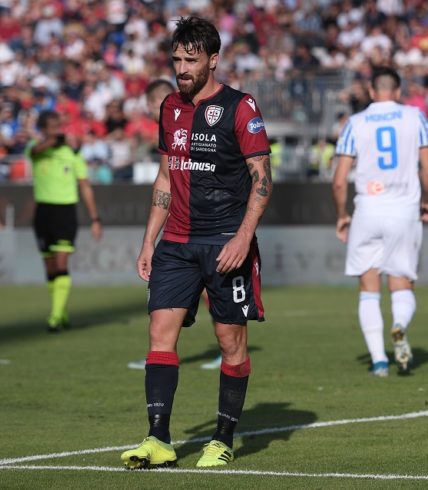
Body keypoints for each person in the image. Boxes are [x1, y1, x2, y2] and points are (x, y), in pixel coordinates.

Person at [121, 17, 272, 470]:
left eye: (191, 60)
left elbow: (262, 179)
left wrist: (244, 238)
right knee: (159, 333)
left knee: (230, 342)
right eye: (177, 59)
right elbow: (165, 177)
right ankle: (158, 439)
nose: (182, 68)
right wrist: (149, 241)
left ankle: (223, 438)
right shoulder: (168, 107)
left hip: (226, 243)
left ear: (213, 59)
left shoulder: (240, 107)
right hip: (177, 243)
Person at [332, 68, 428, 377]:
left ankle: (379, 361)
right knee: (402, 282)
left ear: (372, 92)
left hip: (367, 210)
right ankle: (400, 326)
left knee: (368, 287)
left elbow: (339, 181)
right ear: (399, 91)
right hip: (403, 208)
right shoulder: (415, 117)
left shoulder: (355, 122)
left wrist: (341, 215)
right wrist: (427, 200)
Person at [126, 78, 222, 372]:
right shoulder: (171, 125)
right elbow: (166, 179)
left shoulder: (194, 120)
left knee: (208, 291)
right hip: (180, 227)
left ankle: (225, 349)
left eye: (152, 105)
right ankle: (160, 352)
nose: (152, 110)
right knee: (171, 293)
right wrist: (149, 239)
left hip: (205, 226)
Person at [27, 110, 102, 332]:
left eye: (57, 126)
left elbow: (85, 186)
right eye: (50, 127)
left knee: (61, 263)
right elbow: (34, 150)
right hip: (43, 212)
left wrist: (95, 218)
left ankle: (55, 316)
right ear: (43, 129)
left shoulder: (73, 154)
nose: (56, 131)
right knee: (49, 266)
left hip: (65, 211)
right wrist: (50, 141)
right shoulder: (38, 150)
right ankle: (61, 311)